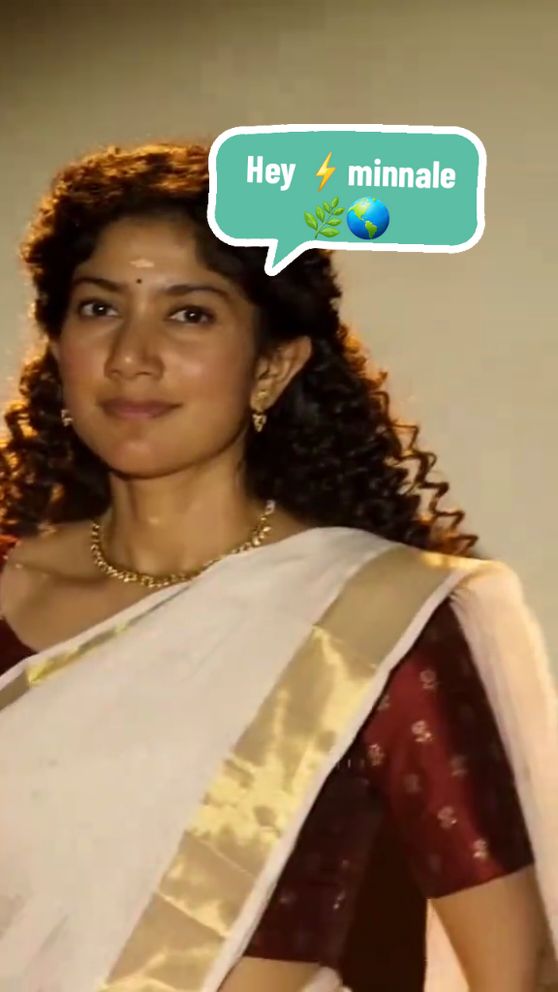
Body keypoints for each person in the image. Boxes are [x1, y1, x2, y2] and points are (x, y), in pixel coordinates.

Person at [0, 140, 556, 992]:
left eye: (189, 314)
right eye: (99, 308)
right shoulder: (11, 585)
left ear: (272, 366)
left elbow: (517, 970)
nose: (131, 356)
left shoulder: (366, 620)